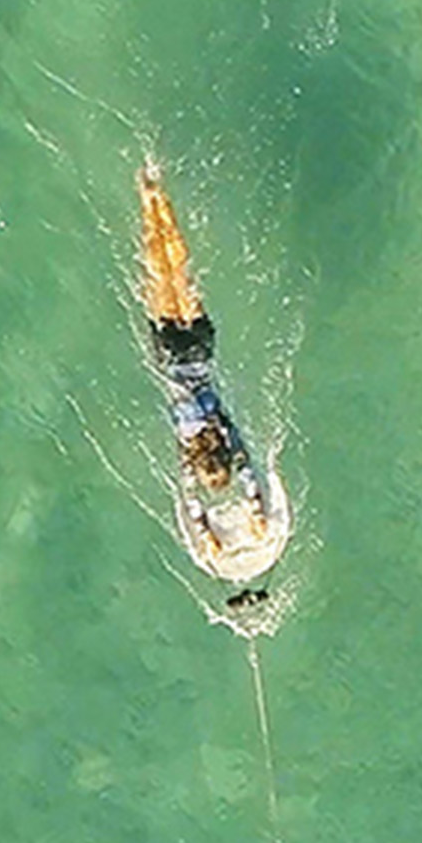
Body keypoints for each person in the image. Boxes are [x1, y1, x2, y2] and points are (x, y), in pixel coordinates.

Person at [137, 157, 269, 563]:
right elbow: (191, 498)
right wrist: (206, 534)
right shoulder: (187, 445)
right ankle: (148, 201)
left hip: (200, 349)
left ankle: (160, 198)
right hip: (171, 354)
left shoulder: (222, 429)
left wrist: (256, 510)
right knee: (159, 274)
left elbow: (245, 468)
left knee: (180, 271)